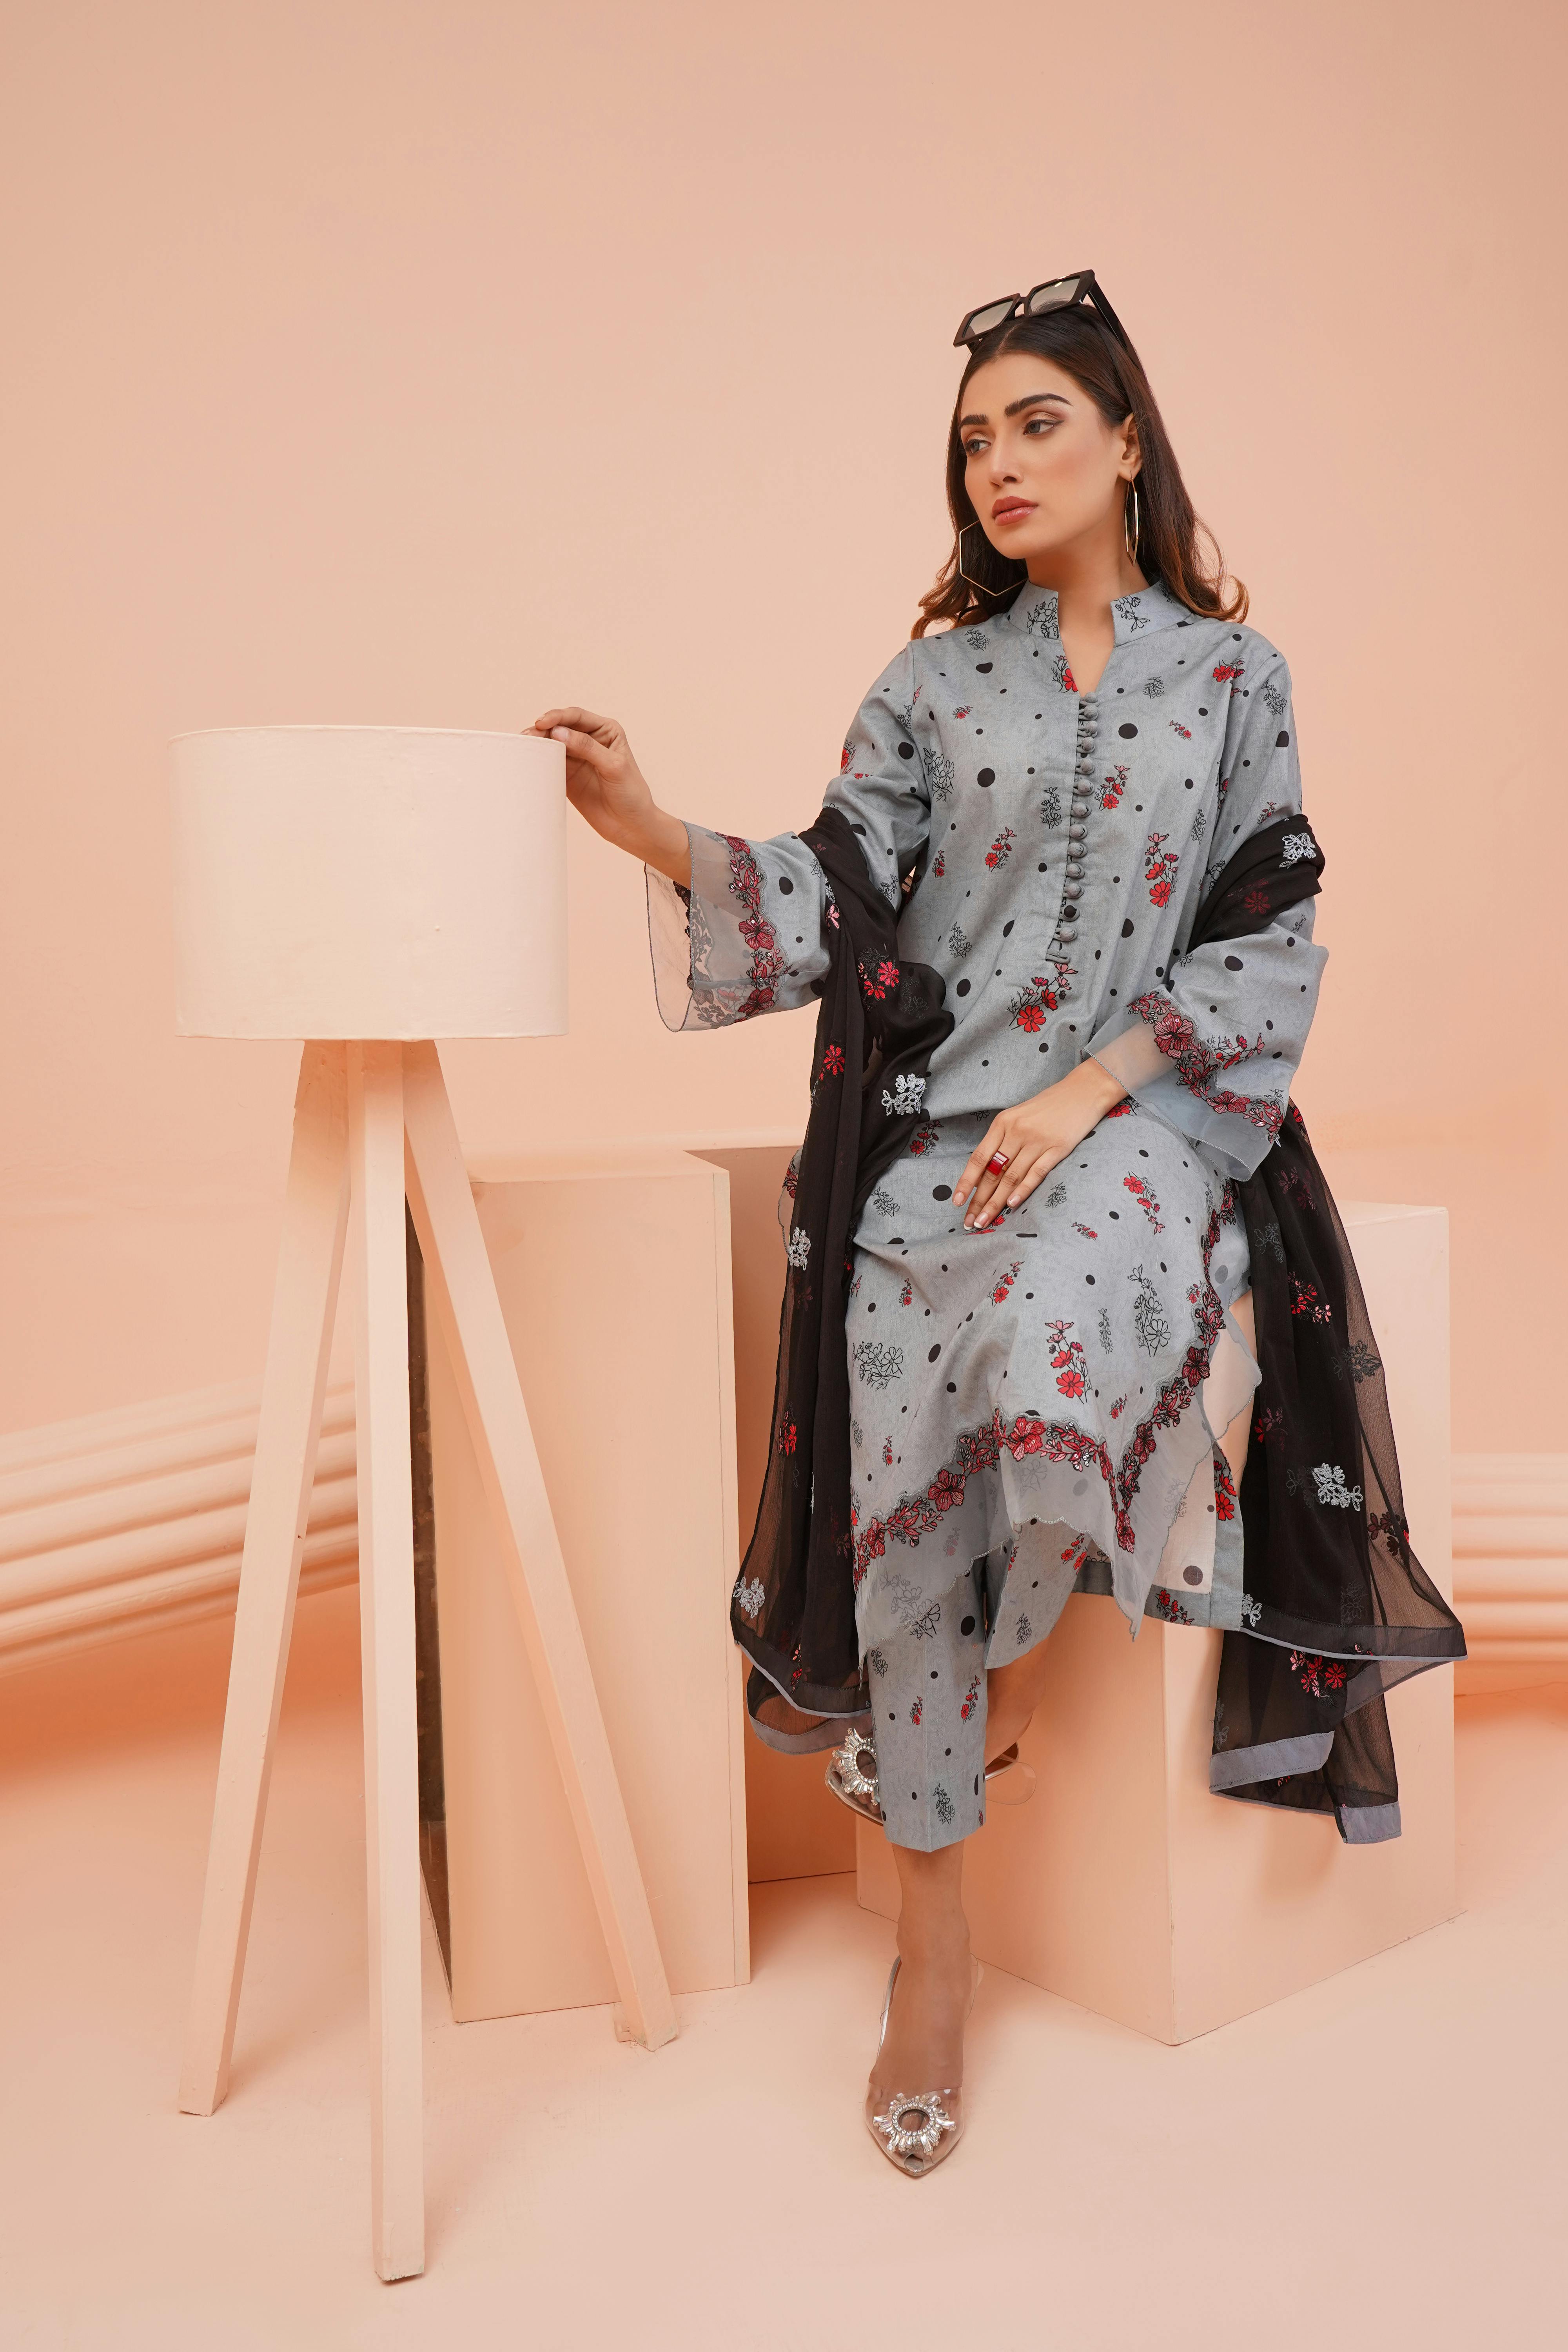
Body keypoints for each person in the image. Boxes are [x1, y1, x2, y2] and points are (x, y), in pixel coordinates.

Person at [532, 274, 1331, 2176]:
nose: (999, 462)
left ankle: (973, 1692)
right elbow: (830, 905)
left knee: (1058, 1341)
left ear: (1128, 440)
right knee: (898, 1415)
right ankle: (937, 1959)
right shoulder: (926, 689)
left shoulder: (1235, 682)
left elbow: (1272, 937)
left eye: (1037, 422)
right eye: (974, 437)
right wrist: (648, 827)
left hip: (1130, 1124)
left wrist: (1082, 1095)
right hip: (928, 1148)